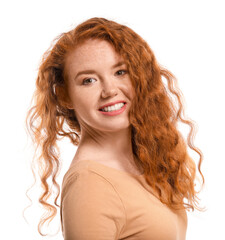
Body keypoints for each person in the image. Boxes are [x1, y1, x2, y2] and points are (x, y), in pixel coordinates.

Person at [25, 17, 205, 239]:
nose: (109, 90)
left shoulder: (145, 159)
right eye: (89, 80)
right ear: (65, 96)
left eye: (120, 72)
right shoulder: (90, 185)